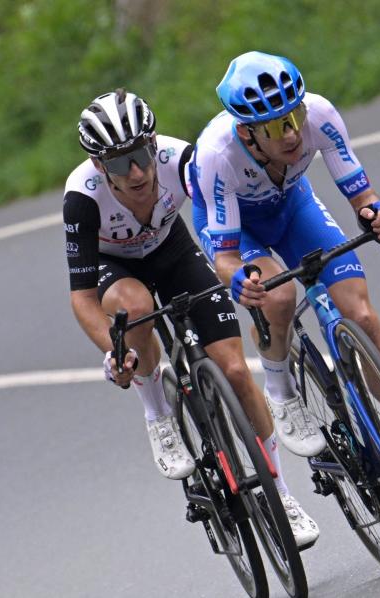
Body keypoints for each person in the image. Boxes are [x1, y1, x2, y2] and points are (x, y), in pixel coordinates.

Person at [190, 51, 380, 504]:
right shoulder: (217, 156)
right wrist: (239, 279)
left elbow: (363, 194)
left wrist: (378, 214)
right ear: (247, 132)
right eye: (279, 126)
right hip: (237, 229)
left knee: (361, 314)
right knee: (277, 298)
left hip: (292, 206)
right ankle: (279, 387)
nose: (294, 132)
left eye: (295, 115)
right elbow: (224, 258)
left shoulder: (320, 115)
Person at [62, 88, 319, 546]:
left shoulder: (181, 160)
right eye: (120, 164)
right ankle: (157, 410)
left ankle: (280, 493)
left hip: (174, 250)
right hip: (116, 269)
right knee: (136, 309)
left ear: (153, 143)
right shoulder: (82, 197)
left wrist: (239, 274)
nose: (137, 172)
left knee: (237, 370)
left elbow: (219, 225)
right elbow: (82, 297)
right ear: (101, 168)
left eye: (141, 154)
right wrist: (115, 352)